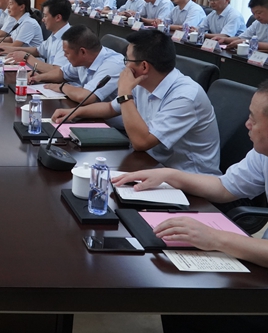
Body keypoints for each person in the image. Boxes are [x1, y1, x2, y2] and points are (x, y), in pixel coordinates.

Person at [112, 82, 268, 332]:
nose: (247, 125)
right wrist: (170, 175)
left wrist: (215, 238)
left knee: (195, 303)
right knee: (179, 292)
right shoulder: (263, 154)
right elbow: (225, 187)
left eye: (253, 119)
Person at [52, 30, 221, 175]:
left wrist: (125, 93)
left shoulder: (185, 96)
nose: (125, 66)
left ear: (144, 66)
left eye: (127, 60)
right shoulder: (143, 82)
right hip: (151, 165)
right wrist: (75, 113)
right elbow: (110, 107)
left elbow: (141, 142)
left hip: (189, 181)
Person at [30, 24, 123, 103]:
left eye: (67, 53)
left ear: (82, 52)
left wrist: (62, 87)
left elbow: (85, 97)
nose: (64, 56)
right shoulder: (84, 59)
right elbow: (62, 73)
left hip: (109, 118)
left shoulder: (112, 66)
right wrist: (38, 77)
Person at [0, 0, 72, 73]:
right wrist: (10, 49)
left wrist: (26, 57)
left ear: (58, 18)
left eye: (45, 16)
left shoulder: (69, 40)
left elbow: (58, 71)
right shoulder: (55, 34)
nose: (43, 20)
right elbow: (38, 50)